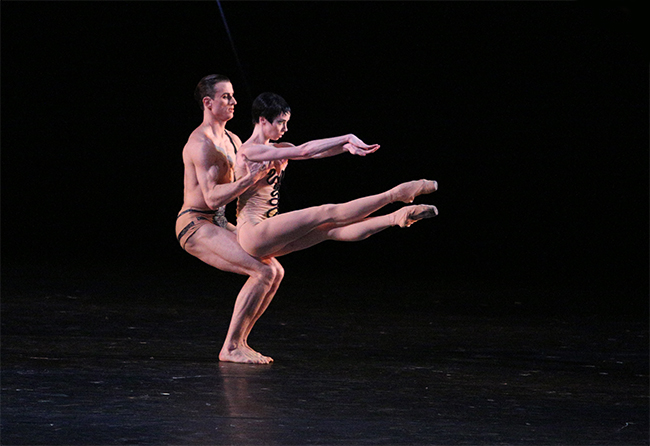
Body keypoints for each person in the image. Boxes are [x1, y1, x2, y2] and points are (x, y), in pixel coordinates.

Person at [234, 92, 438, 263]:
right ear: (262, 120)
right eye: (281, 123)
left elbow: (315, 152)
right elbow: (304, 151)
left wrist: (344, 148)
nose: (285, 129)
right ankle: (396, 194)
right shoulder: (249, 151)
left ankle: (395, 218)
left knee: (329, 231)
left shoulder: (278, 148)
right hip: (253, 232)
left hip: (270, 232)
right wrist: (346, 137)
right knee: (325, 212)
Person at [176, 75, 283, 364]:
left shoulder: (233, 139)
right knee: (263, 272)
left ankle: (242, 342)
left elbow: (247, 179)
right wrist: (251, 178)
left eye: (233, 95)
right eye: (226, 97)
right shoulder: (201, 144)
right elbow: (212, 198)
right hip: (195, 224)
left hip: (219, 220)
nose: (234, 102)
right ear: (208, 103)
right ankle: (231, 347)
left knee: (276, 271)